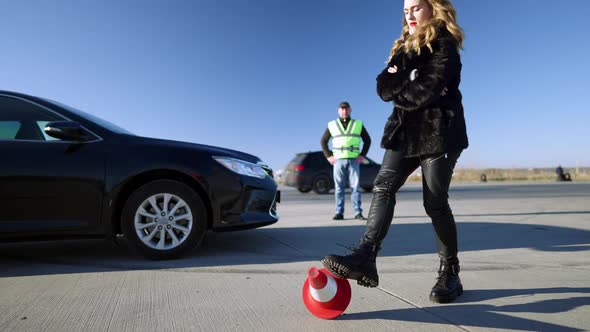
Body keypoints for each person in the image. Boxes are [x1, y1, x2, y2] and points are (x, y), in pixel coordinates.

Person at [322, 0, 468, 304]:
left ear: (431, 7)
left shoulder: (444, 44)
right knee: (382, 186)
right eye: (405, 10)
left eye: (415, 7)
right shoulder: (403, 48)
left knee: (435, 204)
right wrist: (408, 79)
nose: (409, 14)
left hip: (439, 132)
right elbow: (383, 86)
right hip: (404, 133)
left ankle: (450, 274)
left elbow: (429, 88)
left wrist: (406, 81)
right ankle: (365, 256)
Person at [320, 101, 371, 221]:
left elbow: (367, 140)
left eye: (346, 109)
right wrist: (329, 156)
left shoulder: (357, 124)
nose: (344, 111)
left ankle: (358, 212)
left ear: (350, 110)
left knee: (355, 187)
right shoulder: (332, 125)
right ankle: (339, 213)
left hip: (353, 160)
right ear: (338, 111)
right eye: (342, 109)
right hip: (338, 161)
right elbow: (323, 141)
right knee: (339, 188)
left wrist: (362, 155)